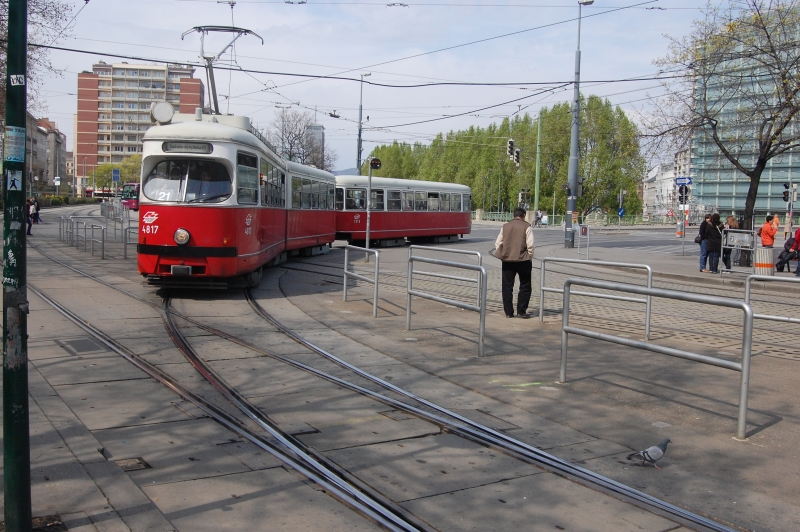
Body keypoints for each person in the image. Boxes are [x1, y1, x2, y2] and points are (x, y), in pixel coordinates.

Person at [495, 207, 534, 318]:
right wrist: (529, 255)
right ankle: (521, 311)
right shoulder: (527, 226)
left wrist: (504, 253)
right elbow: (530, 244)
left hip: (507, 261)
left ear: (514, 215)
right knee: (525, 286)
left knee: (507, 287)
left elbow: (498, 243)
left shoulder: (505, 226)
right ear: (523, 215)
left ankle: (508, 312)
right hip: (523, 260)